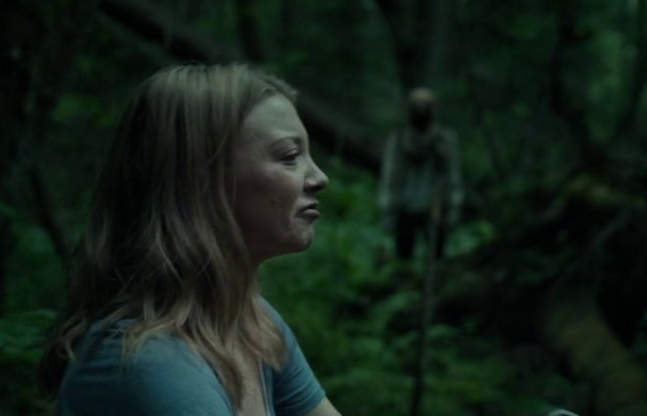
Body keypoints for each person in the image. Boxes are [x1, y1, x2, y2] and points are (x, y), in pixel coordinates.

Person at [38, 64, 340, 416]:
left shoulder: (251, 324)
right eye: (289, 157)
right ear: (202, 180)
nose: (319, 177)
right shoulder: (151, 363)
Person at [378, 87, 465, 261]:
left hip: (435, 206)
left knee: (436, 258)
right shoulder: (399, 139)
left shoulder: (443, 140)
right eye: (417, 106)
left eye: (425, 106)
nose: (421, 111)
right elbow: (390, 175)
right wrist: (388, 207)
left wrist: (454, 204)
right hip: (405, 205)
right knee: (403, 257)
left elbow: (452, 174)